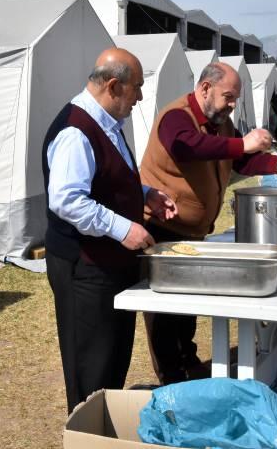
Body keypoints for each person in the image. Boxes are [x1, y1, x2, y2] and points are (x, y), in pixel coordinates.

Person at [140, 62, 277, 385]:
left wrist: (276, 164)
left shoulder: (222, 124)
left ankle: (187, 358)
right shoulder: (176, 118)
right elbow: (187, 147)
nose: (232, 105)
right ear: (204, 89)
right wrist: (243, 143)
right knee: (164, 312)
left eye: (236, 99)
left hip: (194, 231)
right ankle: (171, 376)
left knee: (187, 306)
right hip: (163, 228)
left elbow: (240, 159)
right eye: (228, 97)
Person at [42, 48, 178, 413]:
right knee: (91, 368)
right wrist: (122, 229)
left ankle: (102, 429)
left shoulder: (105, 123)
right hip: (85, 267)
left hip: (107, 265)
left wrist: (145, 195)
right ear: (114, 86)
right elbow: (67, 201)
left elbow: (106, 179)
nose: (141, 97)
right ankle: (87, 433)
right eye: (137, 87)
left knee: (112, 359)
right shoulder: (76, 131)